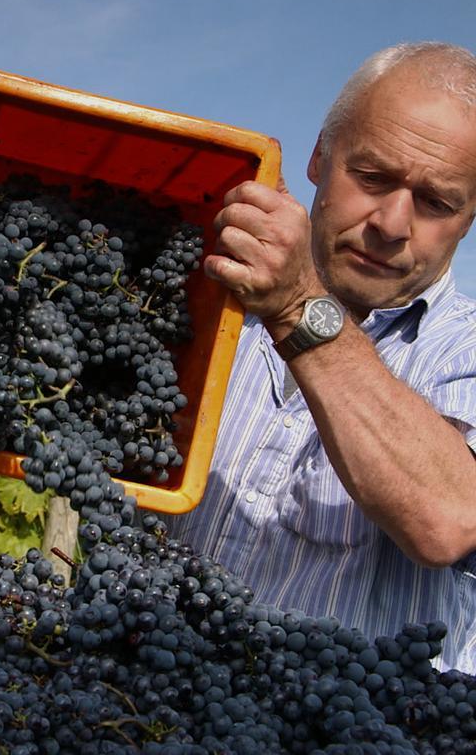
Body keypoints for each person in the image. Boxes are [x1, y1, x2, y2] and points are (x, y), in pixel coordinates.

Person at [163, 42, 476, 674]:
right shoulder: (202, 296)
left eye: (436, 202)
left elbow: (449, 519)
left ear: (469, 219)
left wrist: (299, 308)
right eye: (372, 177)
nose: (391, 223)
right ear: (317, 158)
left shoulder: (464, 349)